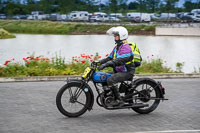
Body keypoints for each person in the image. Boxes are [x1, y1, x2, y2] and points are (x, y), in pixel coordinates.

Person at [97, 26, 135, 107]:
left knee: (111, 79)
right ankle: (110, 95)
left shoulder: (126, 47)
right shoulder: (117, 47)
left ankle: (119, 100)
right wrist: (99, 62)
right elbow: (109, 58)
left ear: (122, 36)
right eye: (114, 35)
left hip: (127, 71)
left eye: (116, 35)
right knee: (103, 76)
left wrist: (106, 65)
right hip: (119, 70)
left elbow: (119, 61)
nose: (114, 37)